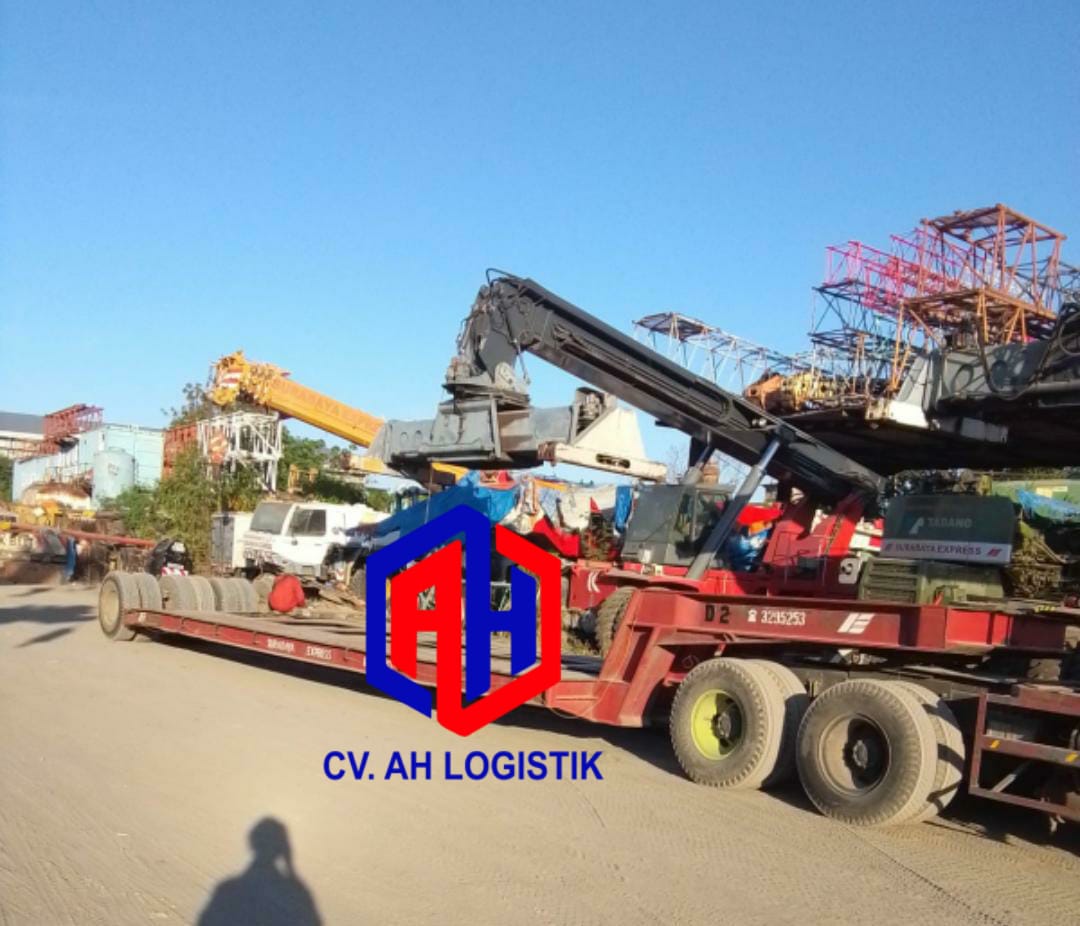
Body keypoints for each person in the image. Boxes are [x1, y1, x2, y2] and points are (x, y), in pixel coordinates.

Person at [198, 818, 321, 926]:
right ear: (283, 849)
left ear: (252, 843)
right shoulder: (294, 896)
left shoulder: (228, 890)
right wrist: (292, 873)